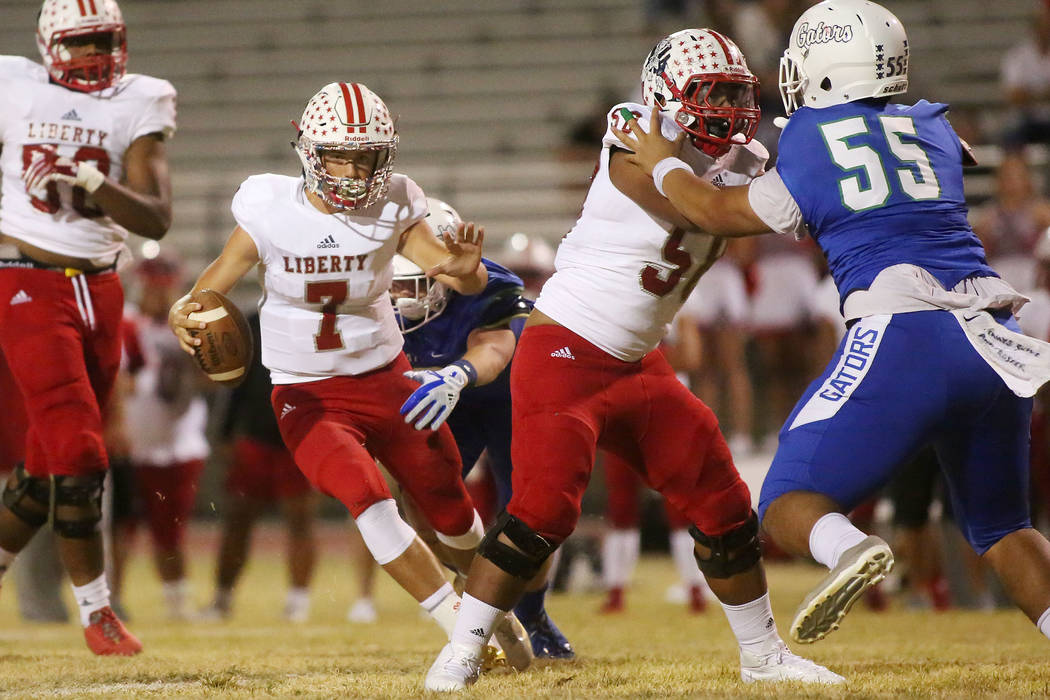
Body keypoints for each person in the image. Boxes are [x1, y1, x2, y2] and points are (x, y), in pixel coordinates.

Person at [615, 0, 1050, 648]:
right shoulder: (933, 127)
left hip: (908, 331)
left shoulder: (813, 139)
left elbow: (710, 209)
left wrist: (660, 160)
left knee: (786, 501)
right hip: (996, 338)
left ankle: (850, 550)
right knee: (1003, 526)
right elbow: (930, 156)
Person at [424, 29, 844, 691]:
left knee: (724, 503)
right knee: (543, 511)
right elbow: (699, 212)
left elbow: (755, 208)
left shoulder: (745, 161)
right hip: (563, 351)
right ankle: (461, 652)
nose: (730, 108)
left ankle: (764, 656)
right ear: (668, 95)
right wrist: (773, 194)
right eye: (713, 93)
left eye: (738, 93)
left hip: (639, 362)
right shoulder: (635, 133)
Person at [167, 82, 531, 666]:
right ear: (309, 151)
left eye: (368, 156)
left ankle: (501, 619)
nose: (357, 171)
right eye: (342, 154)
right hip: (306, 394)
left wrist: (467, 274)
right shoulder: (268, 208)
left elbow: (448, 269)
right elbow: (207, 289)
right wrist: (180, 312)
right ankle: (459, 629)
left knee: (451, 511)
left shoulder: (397, 203)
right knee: (367, 500)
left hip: (387, 379)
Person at [0, 0, 176, 655]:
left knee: (48, 466)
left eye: (104, 39)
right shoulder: (11, 83)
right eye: (80, 42)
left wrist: (94, 181)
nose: (95, 53)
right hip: (24, 277)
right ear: (49, 45)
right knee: (79, 453)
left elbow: (156, 218)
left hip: (102, 287)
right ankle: (97, 614)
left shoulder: (142, 99)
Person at [385, 196, 572, 661]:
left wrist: (458, 374)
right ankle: (473, 596)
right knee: (423, 499)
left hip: (513, 390)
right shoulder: (373, 291)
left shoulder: (489, 284)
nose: (404, 298)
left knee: (530, 514)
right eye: (396, 285)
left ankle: (533, 615)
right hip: (446, 394)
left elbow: (493, 349)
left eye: (416, 283)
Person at [201, 309, 320, 624]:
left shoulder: (314, 319)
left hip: (300, 438)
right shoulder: (250, 324)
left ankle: (298, 600)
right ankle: (222, 598)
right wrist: (227, 431)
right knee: (238, 519)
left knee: (300, 519)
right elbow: (237, 381)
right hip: (256, 434)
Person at [119, 255, 209, 620]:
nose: (158, 291)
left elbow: (214, 378)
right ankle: (111, 598)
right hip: (133, 439)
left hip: (179, 439)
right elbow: (118, 380)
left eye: (164, 283)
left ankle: (176, 601)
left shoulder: (190, 322)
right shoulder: (124, 321)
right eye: (152, 283)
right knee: (121, 527)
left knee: (171, 528)